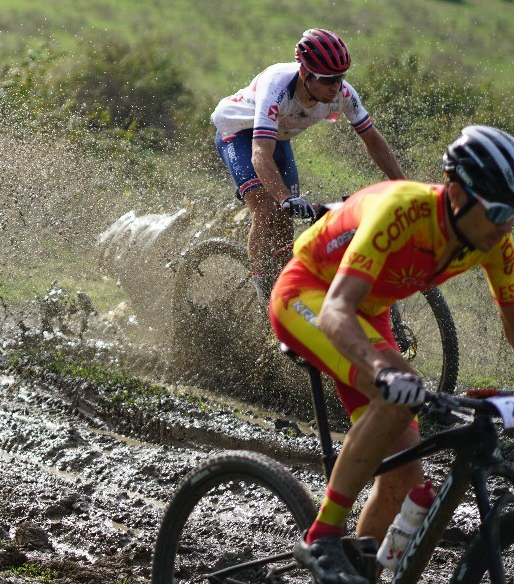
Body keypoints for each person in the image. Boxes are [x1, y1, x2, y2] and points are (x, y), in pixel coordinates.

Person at [270, 124, 514, 583]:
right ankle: (320, 536)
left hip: (368, 312)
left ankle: (361, 576)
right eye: (499, 210)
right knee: (399, 392)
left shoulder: (495, 241)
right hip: (310, 294)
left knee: (405, 476)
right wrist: (384, 371)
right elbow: (338, 309)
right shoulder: (402, 210)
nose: (506, 225)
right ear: (458, 194)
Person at [210, 29, 405, 296]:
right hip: (239, 133)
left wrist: (403, 186)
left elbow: (372, 139)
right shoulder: (276, 85)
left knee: (284, 224)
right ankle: (262, 294)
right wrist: (283, 197)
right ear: (305, 73)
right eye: (327, 80)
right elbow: (260, 154)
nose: (335, 87)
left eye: (340, 78)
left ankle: (283, 293)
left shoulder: (343, 94)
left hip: (276, 137)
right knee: (268, 208)